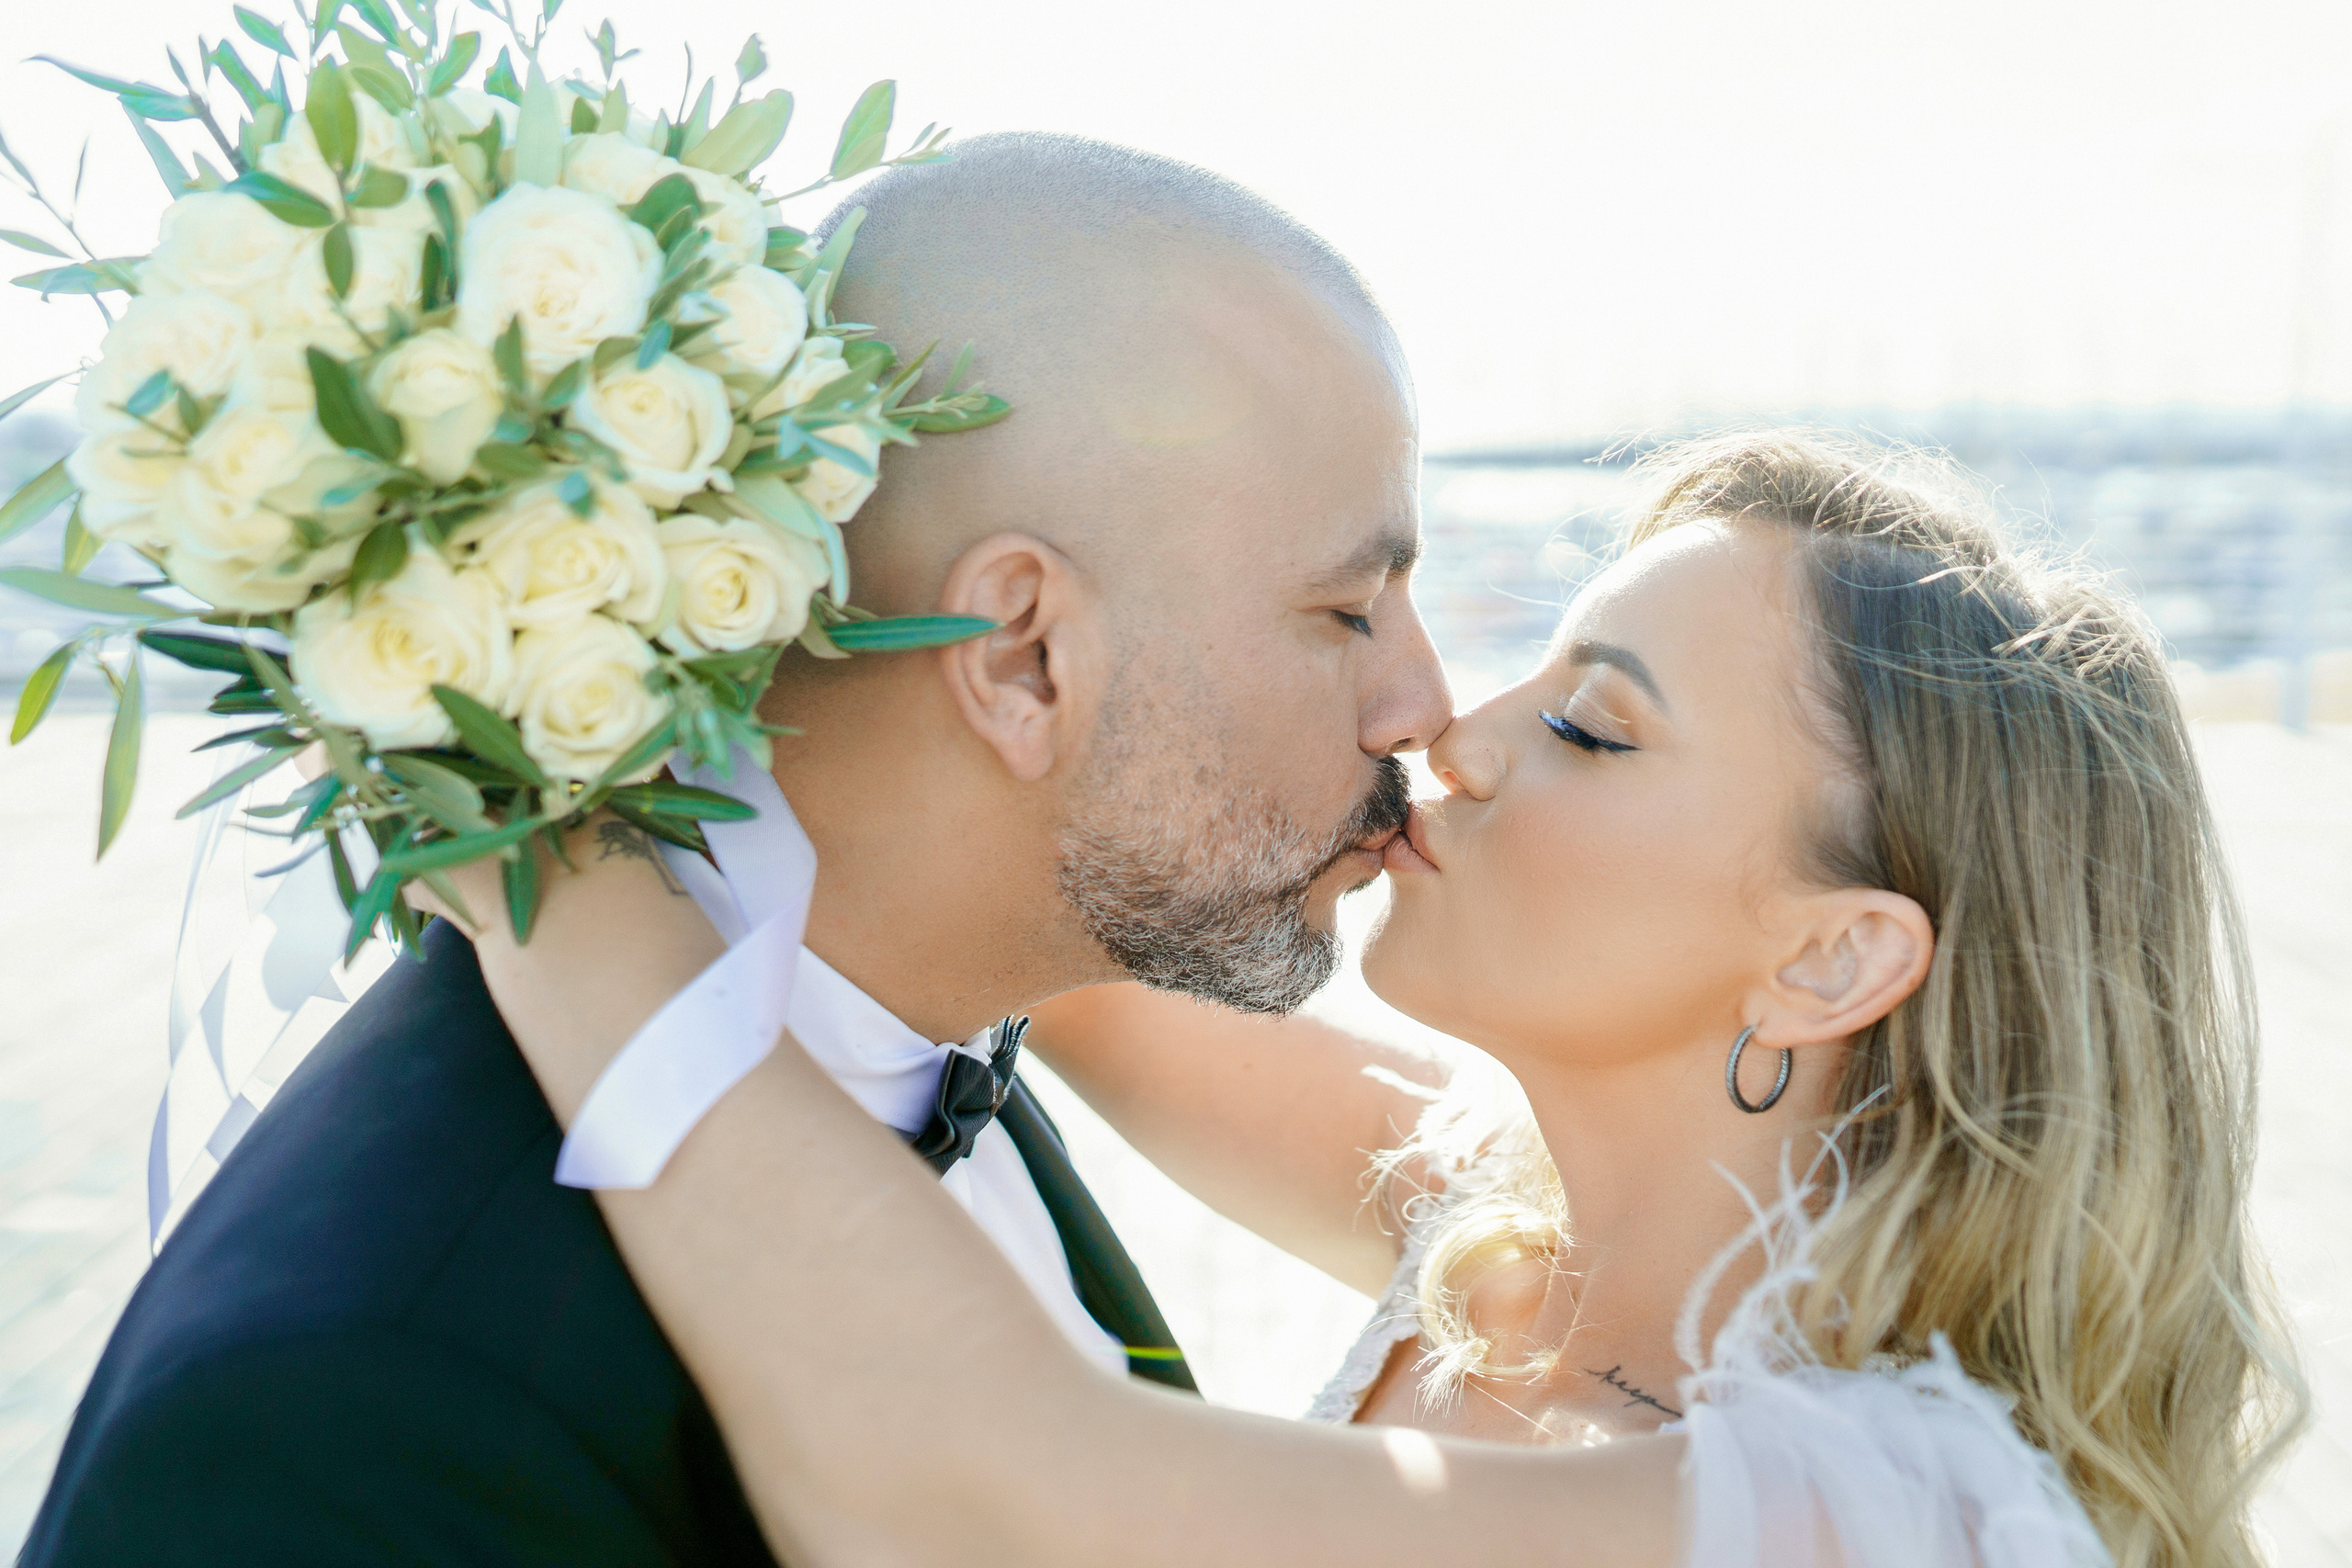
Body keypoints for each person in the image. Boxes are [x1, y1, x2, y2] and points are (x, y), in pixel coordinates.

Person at [458, 432, 2304, 1568]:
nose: (1457, 733)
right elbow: (1053, 931)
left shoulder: (1878, 1517)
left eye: (1591, 723)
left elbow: (972, 1495)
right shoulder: (1498, 1244)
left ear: (1829, 954)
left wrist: (500, 813)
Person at [20, 134, 1450, 1564]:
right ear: (1021, 656)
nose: (1429, 707)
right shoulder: (364, 1403)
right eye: (1349, 608)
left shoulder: (930, 1020)